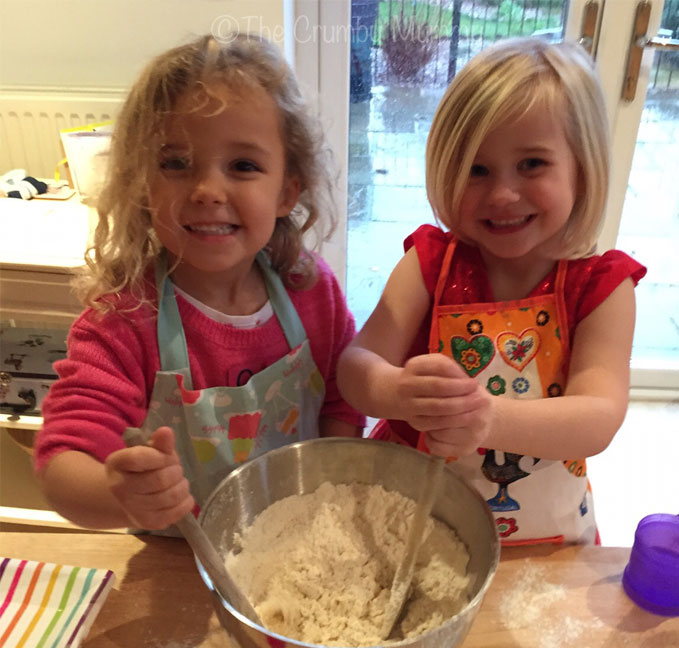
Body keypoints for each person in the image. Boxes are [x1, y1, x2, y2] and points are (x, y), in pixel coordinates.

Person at [34, 33, 364, 533]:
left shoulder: (311, 291)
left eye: (243, 166)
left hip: (301, 545)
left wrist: (331, 485)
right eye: (176, 163)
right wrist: (121, 495)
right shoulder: (123, 322)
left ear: (286, 190)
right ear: (142, 185)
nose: (208, 191)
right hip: (182, 565)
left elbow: (344, 400)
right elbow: (64, 462)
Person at [337, 37, 646, 546]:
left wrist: (484, 419)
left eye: (532, 164)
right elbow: (356, 365)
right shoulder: (430, 263)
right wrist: (396, 392)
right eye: (477, 170)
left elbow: (598, 417)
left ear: (582, 169)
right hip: (415, 524)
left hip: (542, 537)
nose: (503, 194)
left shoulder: (602, 288)